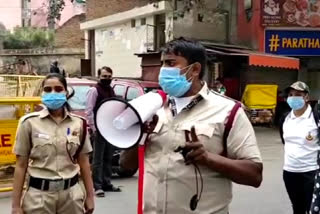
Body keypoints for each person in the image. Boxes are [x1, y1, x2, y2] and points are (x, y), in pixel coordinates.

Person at [141, 38, 263, 213]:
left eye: (170, 63)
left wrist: (207, 158)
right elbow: (126, 166)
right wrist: (137, 136)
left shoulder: (228, 111)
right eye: (162, 64)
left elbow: (254, 175)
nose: (163, 70)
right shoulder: (154, 108)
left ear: (195, 69)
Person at [11, 73, 94, 214]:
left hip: (71, 196)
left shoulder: (78, 123)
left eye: (58, 89)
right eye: (48, 90)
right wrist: (15, 205)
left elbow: (84, 162)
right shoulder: (29, 123)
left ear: (66, 92)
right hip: (38, 198)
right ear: (42, 93)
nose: (53, 93)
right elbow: (20, 165)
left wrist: (90, 196)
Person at [279, 81, 320, 214]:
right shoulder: (285, 119)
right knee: (297, 207)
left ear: (306, 97)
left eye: (298, 94)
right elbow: (285, 141)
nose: (293, 98)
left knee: (312, 208)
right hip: (290, 172)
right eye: (290, 95)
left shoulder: (315, 117)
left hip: (311, 172)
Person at [86, 66, 121, 198]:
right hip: (99, 130)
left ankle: (107, 183)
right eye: (104, 77)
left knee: (108, 157)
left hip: (110, 130)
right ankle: (97, 186)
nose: (107, 79)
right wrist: (94, 129)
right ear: (98, 77)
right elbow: (89, 111)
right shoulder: (94, 91)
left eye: (109, 77)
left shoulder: (111, 90)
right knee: (98, 159)